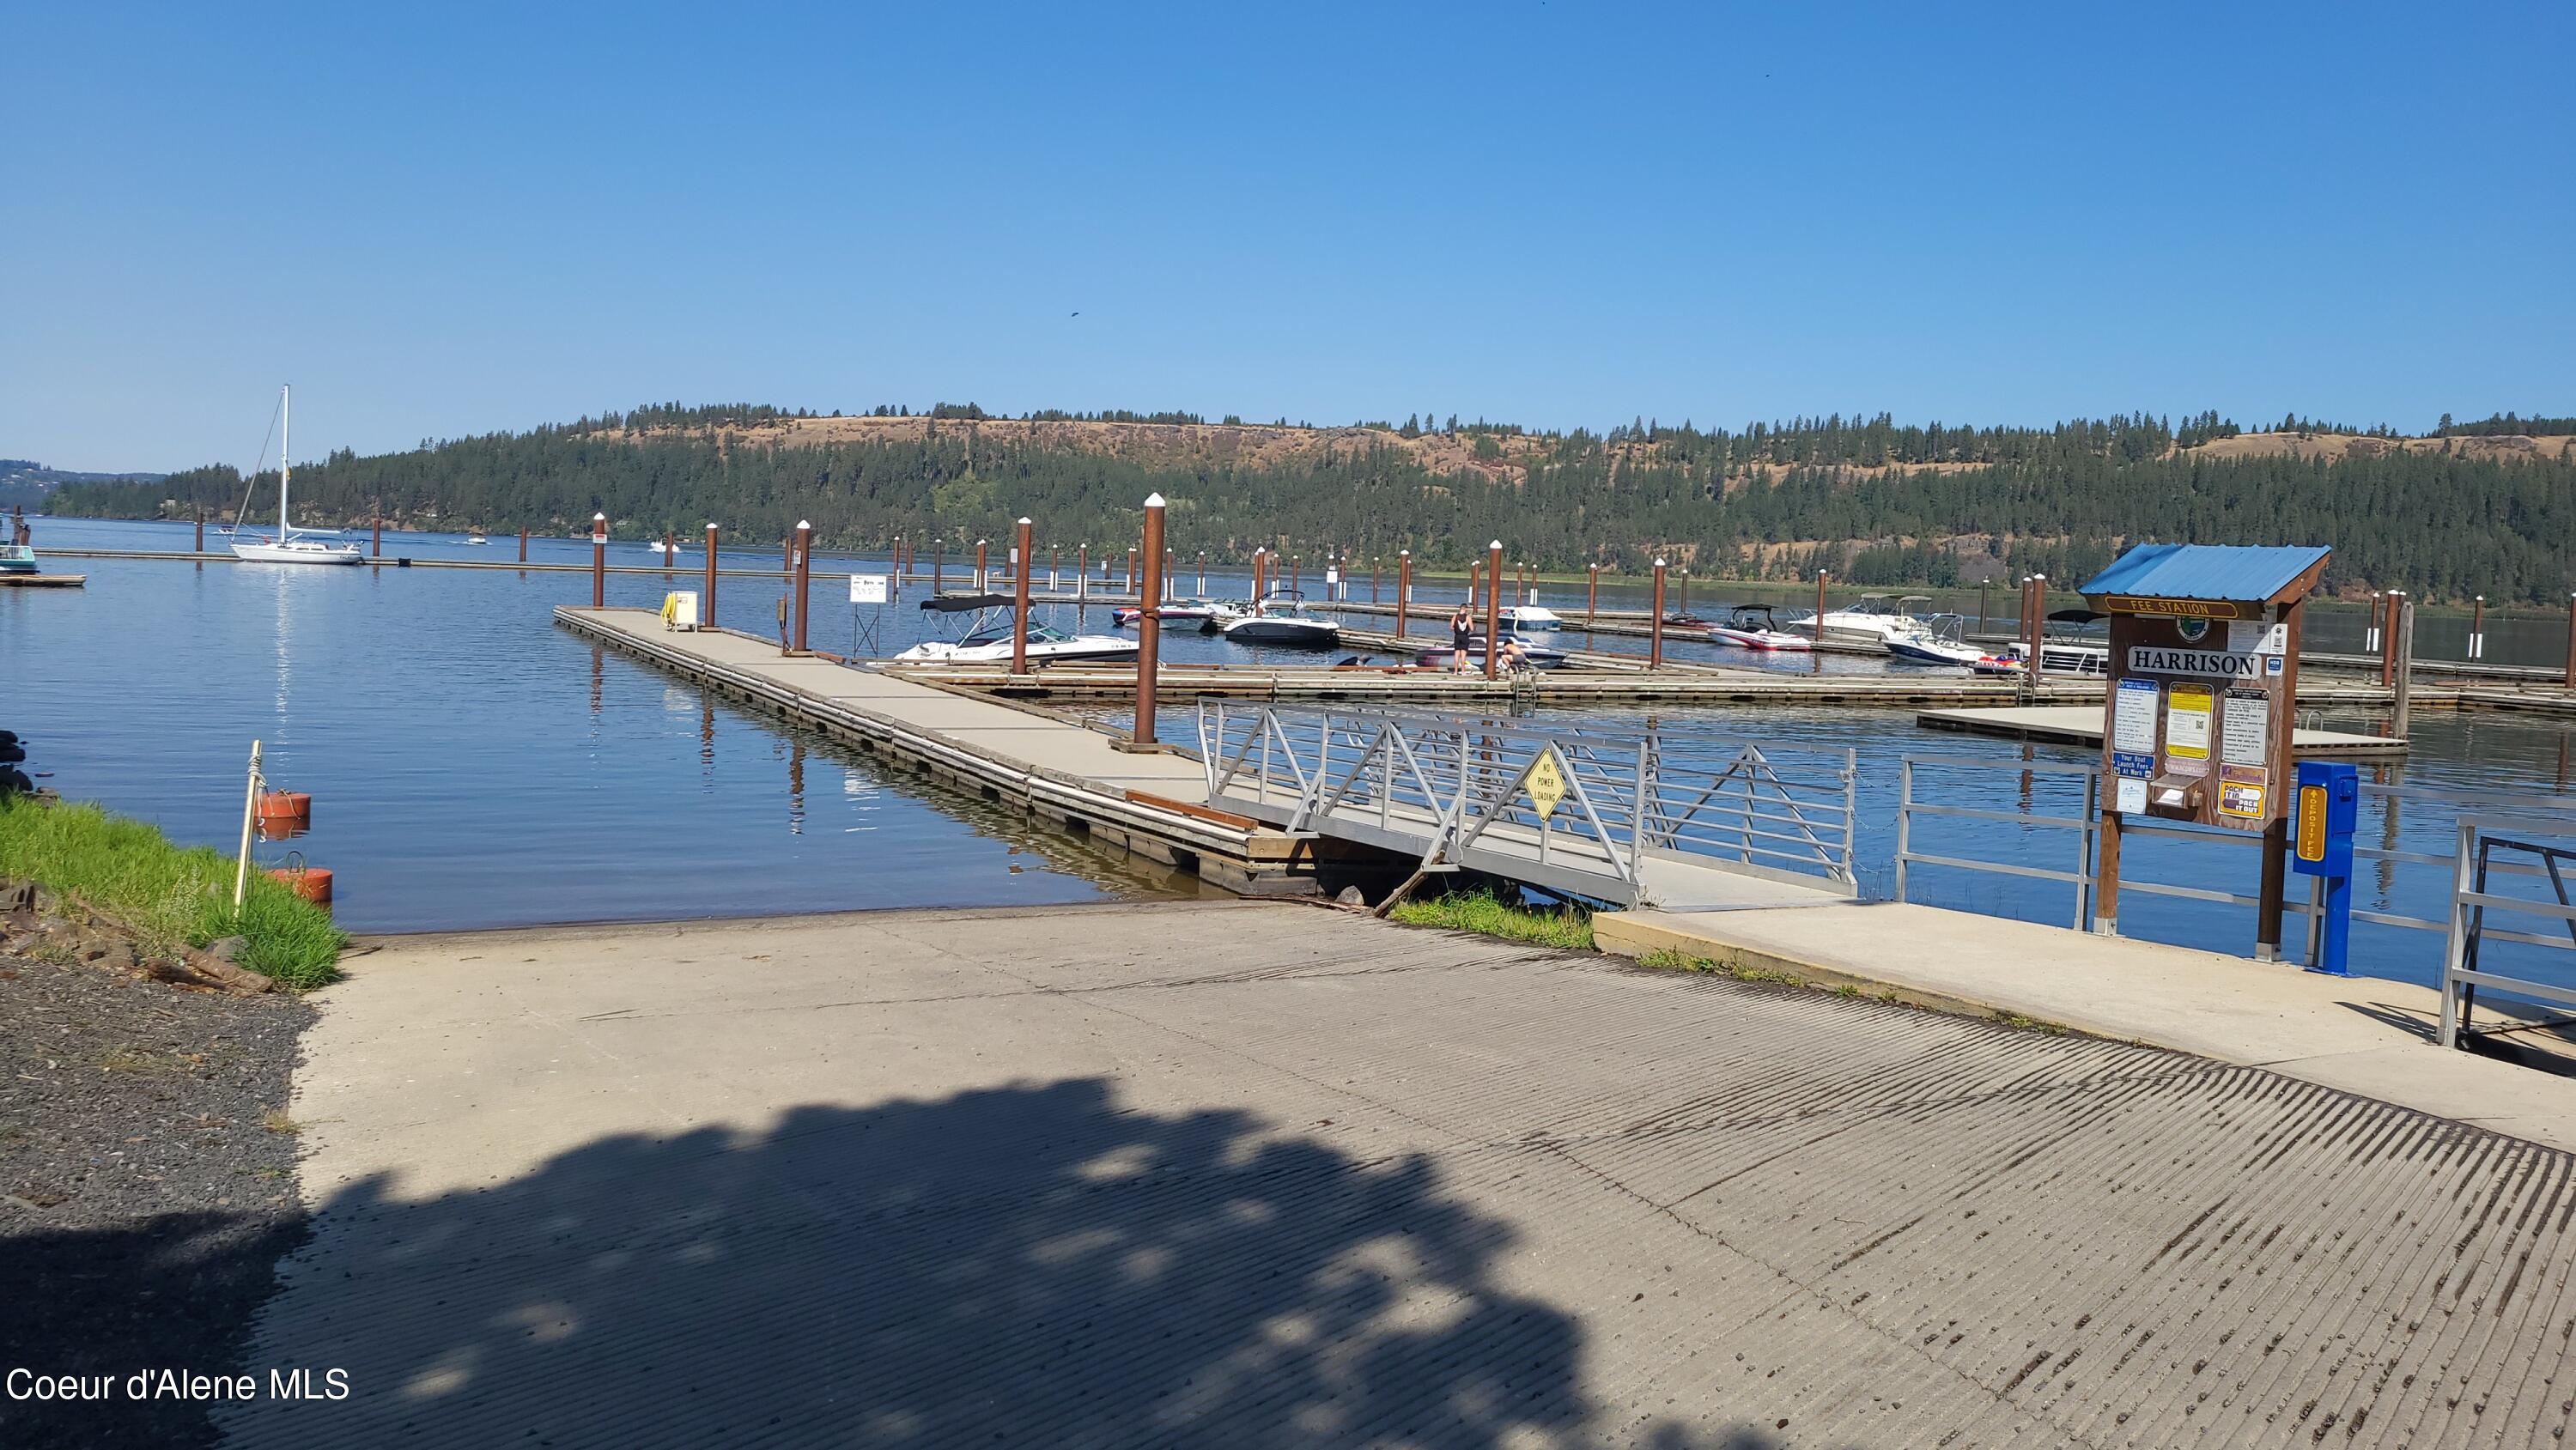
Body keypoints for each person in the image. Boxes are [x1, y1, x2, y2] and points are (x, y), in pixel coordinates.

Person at [1448, 604, 1473, 672]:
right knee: (1463, 655)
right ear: (1465, 609)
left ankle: (1455, 671)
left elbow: (1451, 628)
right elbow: (1472, 629)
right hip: (1464, 636)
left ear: (1460, 609)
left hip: (1457, 636)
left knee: (1457, 654)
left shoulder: (1455, 617)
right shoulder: (1468, 617)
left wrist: (1456, 628)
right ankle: (1463, 672)